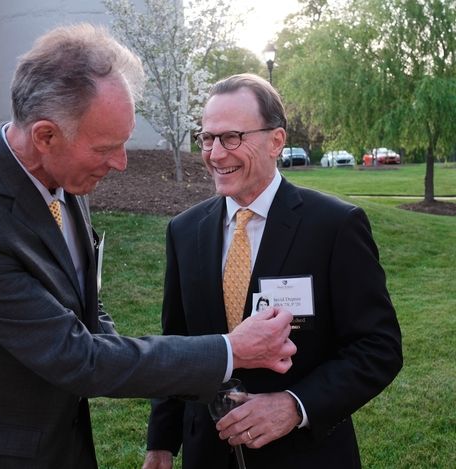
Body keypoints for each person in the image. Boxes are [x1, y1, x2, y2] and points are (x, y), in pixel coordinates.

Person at [0, 26, 298, 469]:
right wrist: (229, 350)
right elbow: (75, 355)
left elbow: (86, 312)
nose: (121, 163)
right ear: (46, 136)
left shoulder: (64, 181)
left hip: (60, 446)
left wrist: (206, 385)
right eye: (108, 147)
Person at [143, 74, 402, 469]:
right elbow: (178, 341)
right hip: (207, 455)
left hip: (304, 455)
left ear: (276, 141)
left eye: (231, 137)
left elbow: (378, 347)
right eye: (207, 138)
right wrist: (161, 444)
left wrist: (295, 406)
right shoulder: (184, 230)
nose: (215, 154)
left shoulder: (333, 226)